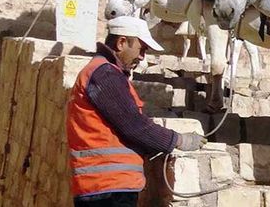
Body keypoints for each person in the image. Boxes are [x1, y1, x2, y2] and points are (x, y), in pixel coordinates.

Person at [67, 16, 207, 207]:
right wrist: (180, 140)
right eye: (141, 49)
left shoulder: (104, 72)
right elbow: (134, 125)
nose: (142, 57)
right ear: (122, 42)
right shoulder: (105, 74)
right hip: (107, 189)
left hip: (105, 186)